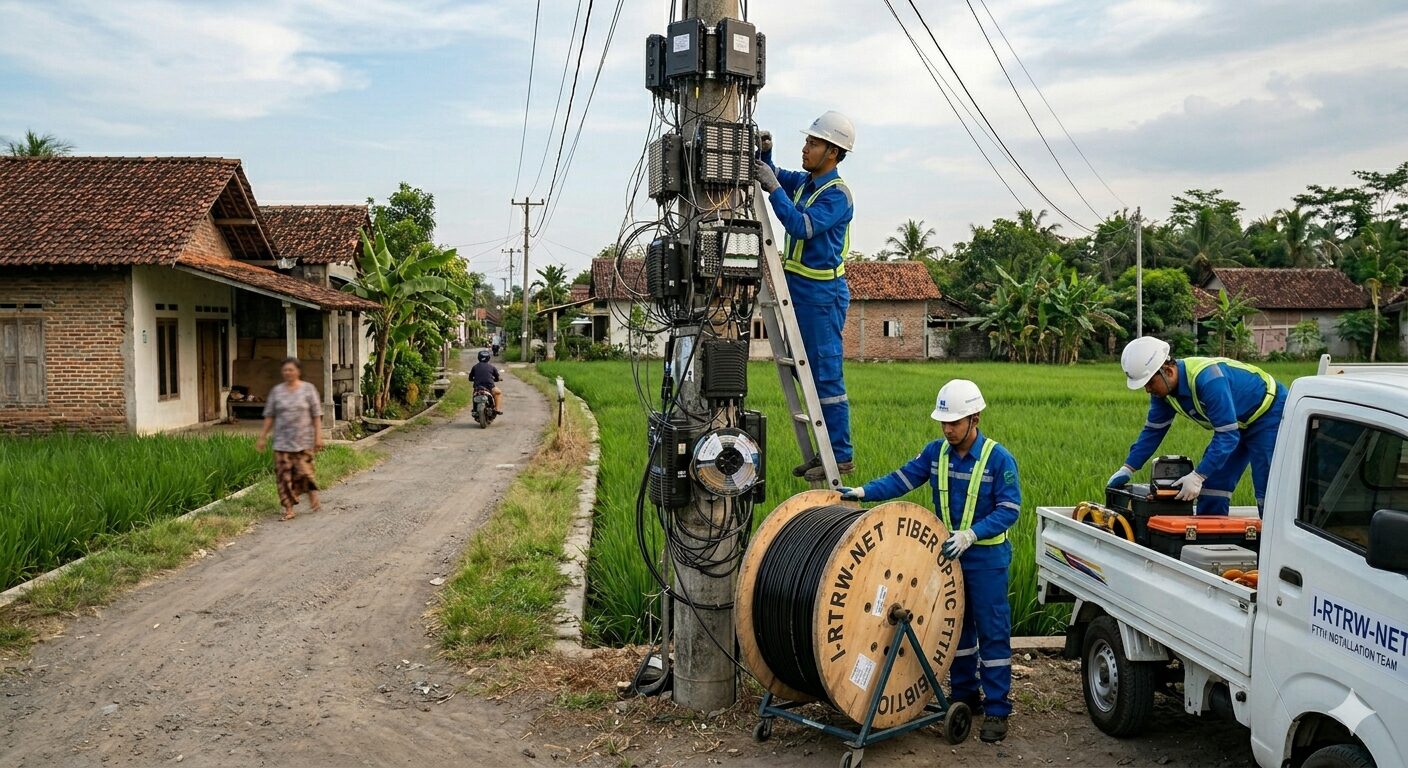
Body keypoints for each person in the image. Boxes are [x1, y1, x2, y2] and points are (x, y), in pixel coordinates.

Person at [837, 379, 1021, 743]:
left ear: (975, 418)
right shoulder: (935, 453)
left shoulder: (999, 459)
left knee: (992, 631)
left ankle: (998, 709)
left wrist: (971, 534)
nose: (948, 429)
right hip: (949, 559)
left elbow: (1010, 509)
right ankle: (966, 696)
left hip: (986, 559)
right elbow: (902, 480)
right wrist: (863, 492)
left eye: (955, 422)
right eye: (944, 422)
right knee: (955, 628)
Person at [754, 111, 857, 482]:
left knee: (826, 375)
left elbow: (799, 225)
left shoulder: (836, 196)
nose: (806, 148)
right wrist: (765, 157)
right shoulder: (806, 182)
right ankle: (822, 449)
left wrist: (773, 189)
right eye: (807, 141)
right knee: (805, 372)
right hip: (798, 293)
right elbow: (778, 176)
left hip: (822, 296)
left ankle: (840, 455)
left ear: (832, 152)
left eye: (812, 143)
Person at [1109, 336, 1288, 516]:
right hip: (1236, 424)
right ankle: (1212, 540)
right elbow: (1153, 430)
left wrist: (1197, 476)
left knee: (1267, 486)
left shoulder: (1209, 380)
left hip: (1268, 414)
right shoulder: (1164, 394)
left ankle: (1273, 541)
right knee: (1213, 485)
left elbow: (1227, 436)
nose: (1148, 389)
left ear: (1168, 371)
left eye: (1149, 383)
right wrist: (1128, 468)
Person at [255, 357, 323, 521]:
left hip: (303, 440)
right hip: (282, 442)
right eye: (285, 370)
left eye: (291, 370)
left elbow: (316, 415)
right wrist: (262, 437)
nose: (288, 373)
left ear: (298, 371)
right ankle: (289, 509)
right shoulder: (277, 391)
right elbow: (270, 416)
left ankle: (312, 494)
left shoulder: (308, 389)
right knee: (283, 476)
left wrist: (318, 437)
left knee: (305, 473)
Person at [470, 349, 503, 414]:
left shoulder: (475, 367)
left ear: (478, 357)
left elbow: (470, 378)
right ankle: (497, 409)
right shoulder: (492, 367)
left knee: (474, 395)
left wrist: (475, 379)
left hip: (478, 387)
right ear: (488, 358)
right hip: (489, 387)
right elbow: (497, 377)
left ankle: (474, 409)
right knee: (498, 393)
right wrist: (497, 379)